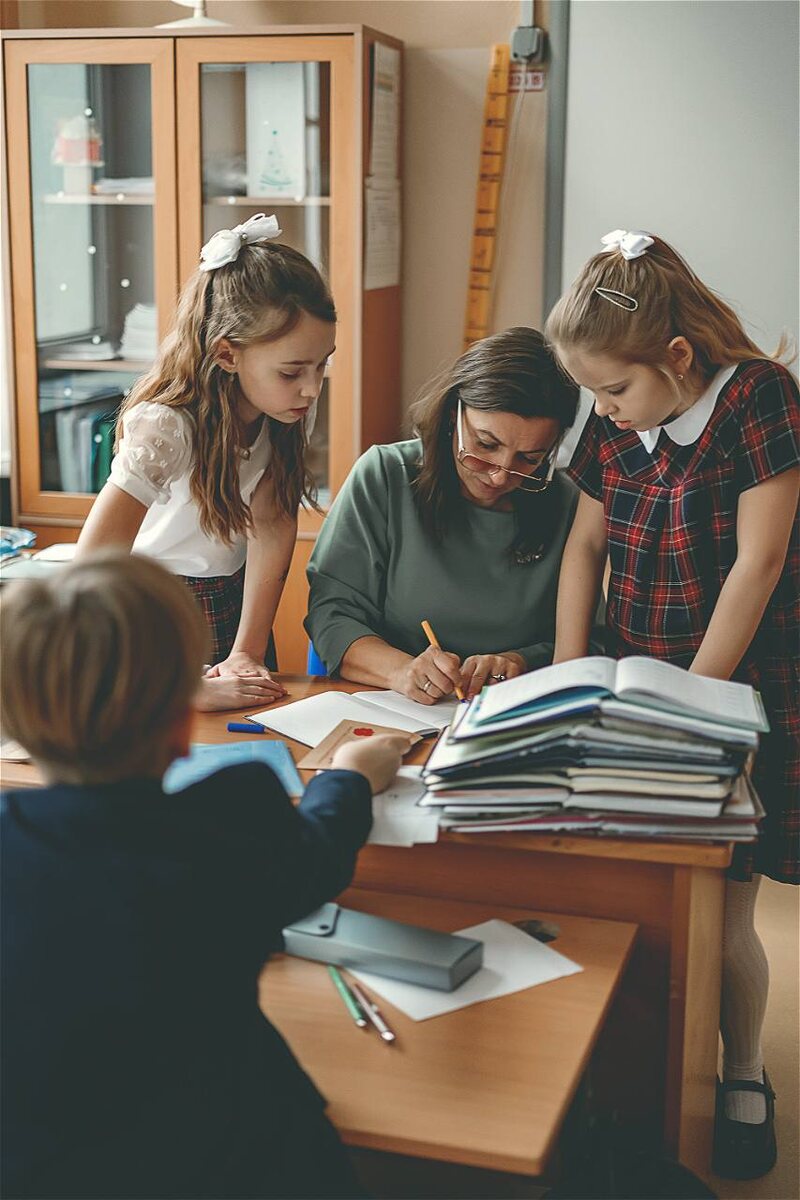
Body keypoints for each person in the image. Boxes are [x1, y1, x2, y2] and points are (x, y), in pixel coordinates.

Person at [0, 551, 405, 1200]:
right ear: (182, 722)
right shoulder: (235, 820)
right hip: (230, 1164)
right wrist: (351, 776)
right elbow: (319, 854)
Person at [545, 229, 799, 1181]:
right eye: (595, 396)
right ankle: (645, 1068)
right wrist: (569, 679)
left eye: (613, 390)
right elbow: (583, 550)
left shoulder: (759, 401)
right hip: (633, 668)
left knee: (727, 901)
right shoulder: (617, 418)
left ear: (677, 357)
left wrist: (697, 700)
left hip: (740, 683)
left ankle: (741, 1071)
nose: (602, 410)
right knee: (639, 884)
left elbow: (760, 561)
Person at [77, 213, 336, 713]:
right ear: (226, 354)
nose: (312, 386)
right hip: (150, 609)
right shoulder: (167, 425)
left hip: (232, 599)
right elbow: (93, 568)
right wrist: (180, 689)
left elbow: (273, 520)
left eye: (322, 363)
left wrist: (247, 651)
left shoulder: (286, 405)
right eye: (292, 370)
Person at [306, 327, 588, 702]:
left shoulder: (570, 504)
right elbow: (333, 614)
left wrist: (520, 661)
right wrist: (401, 671)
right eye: (485, 444)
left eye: (530, 459)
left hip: (511, 713)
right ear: (453, 413)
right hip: (392, 708)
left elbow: (589, 640)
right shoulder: (385, 477)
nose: (502, 474)